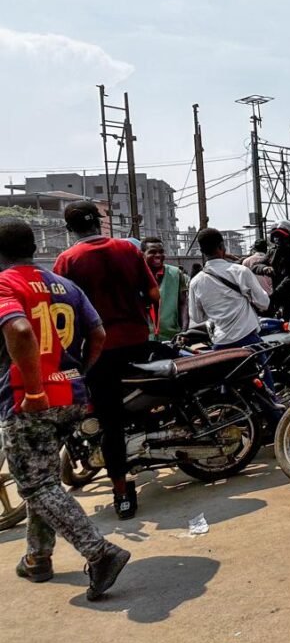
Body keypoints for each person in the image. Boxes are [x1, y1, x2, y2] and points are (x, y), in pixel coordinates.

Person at [0, 219, 131, 599]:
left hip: (29, 397)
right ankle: (37, 559)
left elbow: (21, 331)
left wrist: (37, 388)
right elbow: (99, 334)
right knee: (44, 481)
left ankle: (100, 552)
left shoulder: (6, 284)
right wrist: (78, 373)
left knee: (34, 484)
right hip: (70, 393)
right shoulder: (65, 285)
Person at [53, 201, 159, 519]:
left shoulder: (67, 260)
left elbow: (64, 314)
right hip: (139, 341)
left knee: (110, 424)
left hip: (99, 352)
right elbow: (153, 295)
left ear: (71, 229)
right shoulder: (128, 250)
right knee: (147, 401)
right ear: (100, 223)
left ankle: (122, 493)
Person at [188, 228, 283, 425]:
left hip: (220, 346)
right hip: (248, 342)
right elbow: (264, 303)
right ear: (222, 247)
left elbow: (196, 316)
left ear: (202, 251)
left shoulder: (196, 281)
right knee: (266, 391)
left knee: (227, 392)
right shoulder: (239, 271)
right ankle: (280, 431)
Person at [141, 237, 189, 341]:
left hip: (171, 337)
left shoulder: (176, 274)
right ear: (142, 254)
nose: (158, 255)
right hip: (144, 339)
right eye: (152, 252)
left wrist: (184, 331)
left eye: (161, 252)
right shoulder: (135, 275)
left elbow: (183, 304)